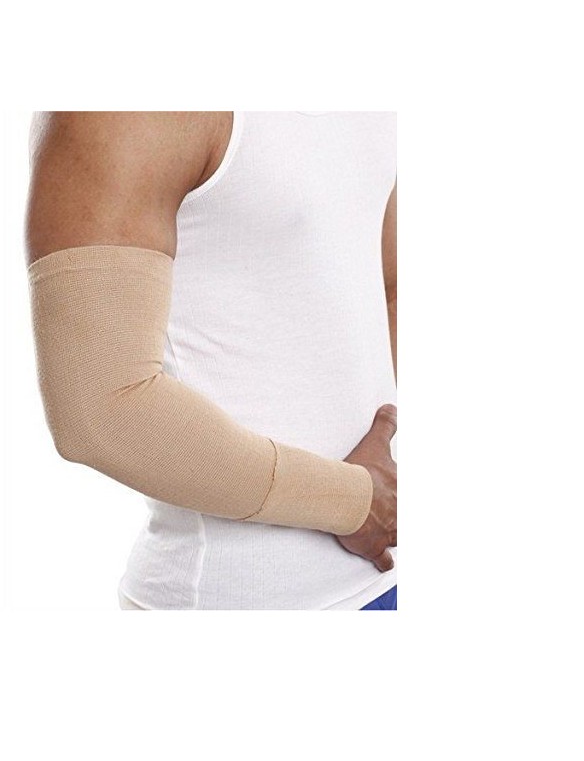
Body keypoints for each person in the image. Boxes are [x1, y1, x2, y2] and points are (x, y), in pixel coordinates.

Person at [25, 111, 397, 610]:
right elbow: (98, 409)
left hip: (384, 570)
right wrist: (354, 501)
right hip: (237, 599)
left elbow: (384, 287)